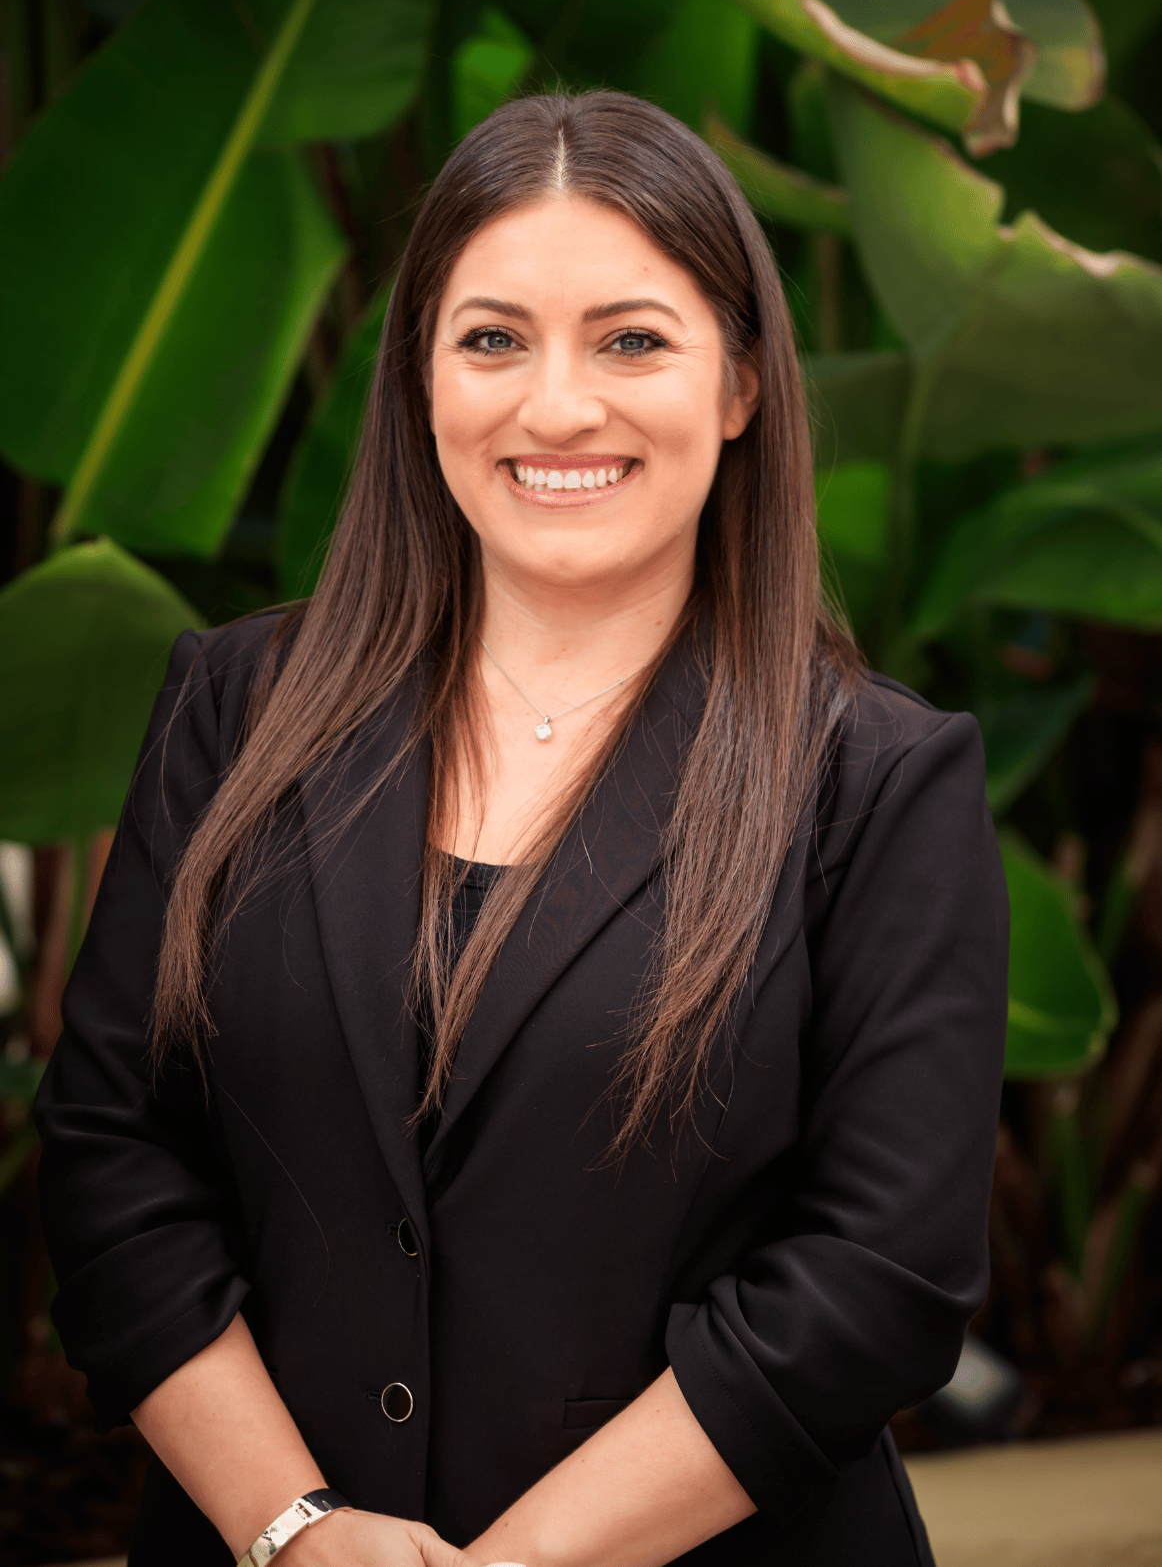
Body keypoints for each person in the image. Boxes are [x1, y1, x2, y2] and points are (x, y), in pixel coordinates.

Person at [35, 89, 1008, 1567]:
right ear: (419, 377)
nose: (556, 405)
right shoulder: (235, 709)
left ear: (740, 382)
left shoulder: (875, 780)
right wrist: (293, 1527)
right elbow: (115, 1153)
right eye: (491, 337)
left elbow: (877, 1276)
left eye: (632, 338)